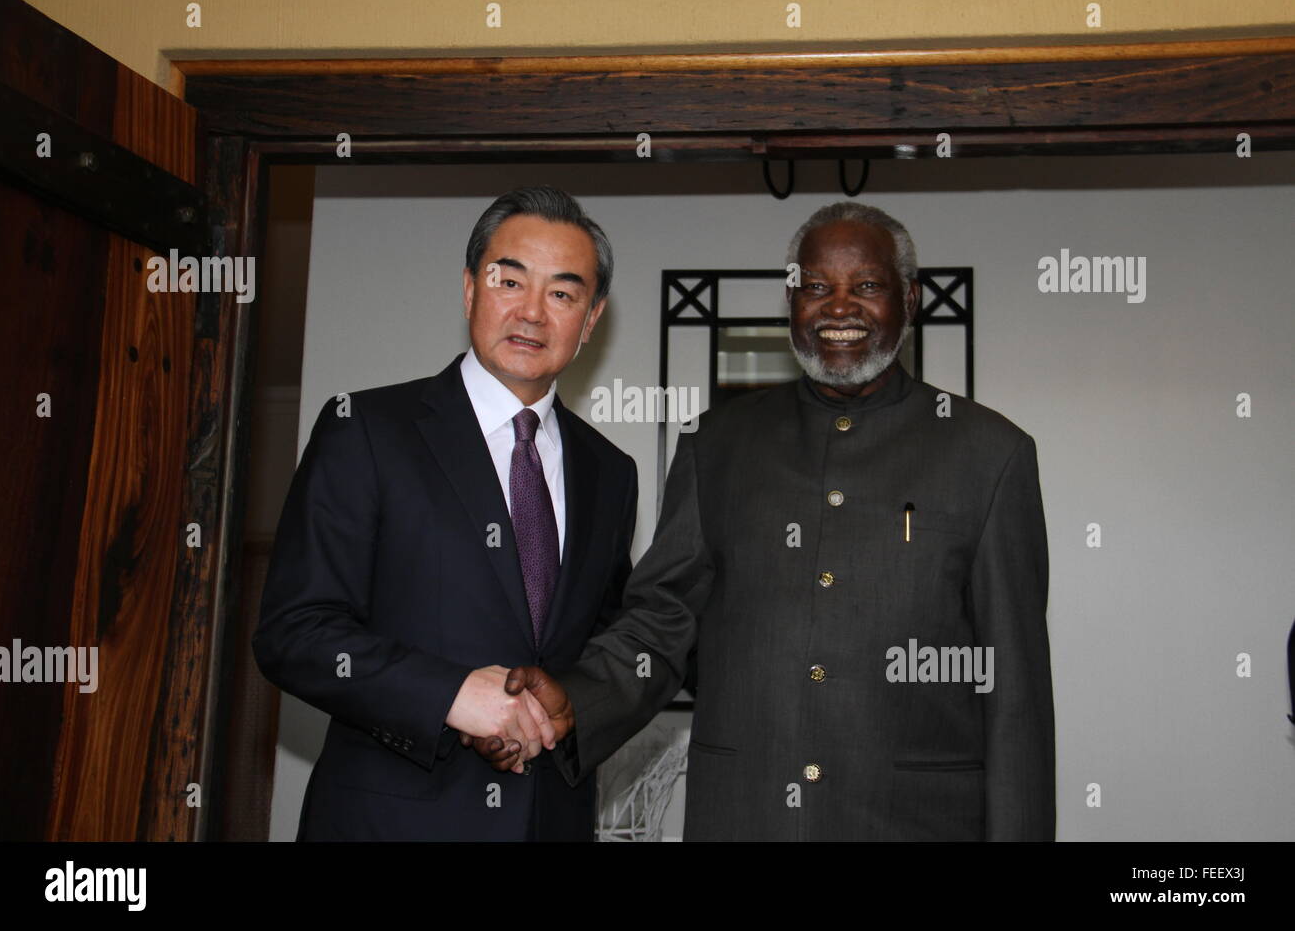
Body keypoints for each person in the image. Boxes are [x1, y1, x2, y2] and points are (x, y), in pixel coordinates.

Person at [467, 202, 1055, 840]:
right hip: (745, 815)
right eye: (816, 287)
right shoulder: (716, 445)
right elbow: (661, 626)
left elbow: (1015, 696)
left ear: (909, 299)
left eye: (866, 286)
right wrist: (572, 704)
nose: (838, 307)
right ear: (791, 301)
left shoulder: (990, 454)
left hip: (914, 821)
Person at [253, 186, 638, 840]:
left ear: (591, 318)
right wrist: (452, 695)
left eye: (563, 294)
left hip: (551, 821)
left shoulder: (611, 472)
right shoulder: (367, 430)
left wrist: (568, 705)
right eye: (509, 281)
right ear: (469, 289)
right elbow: (294, 631)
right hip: (389, 821)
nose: (533, 314)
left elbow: (606, 645)